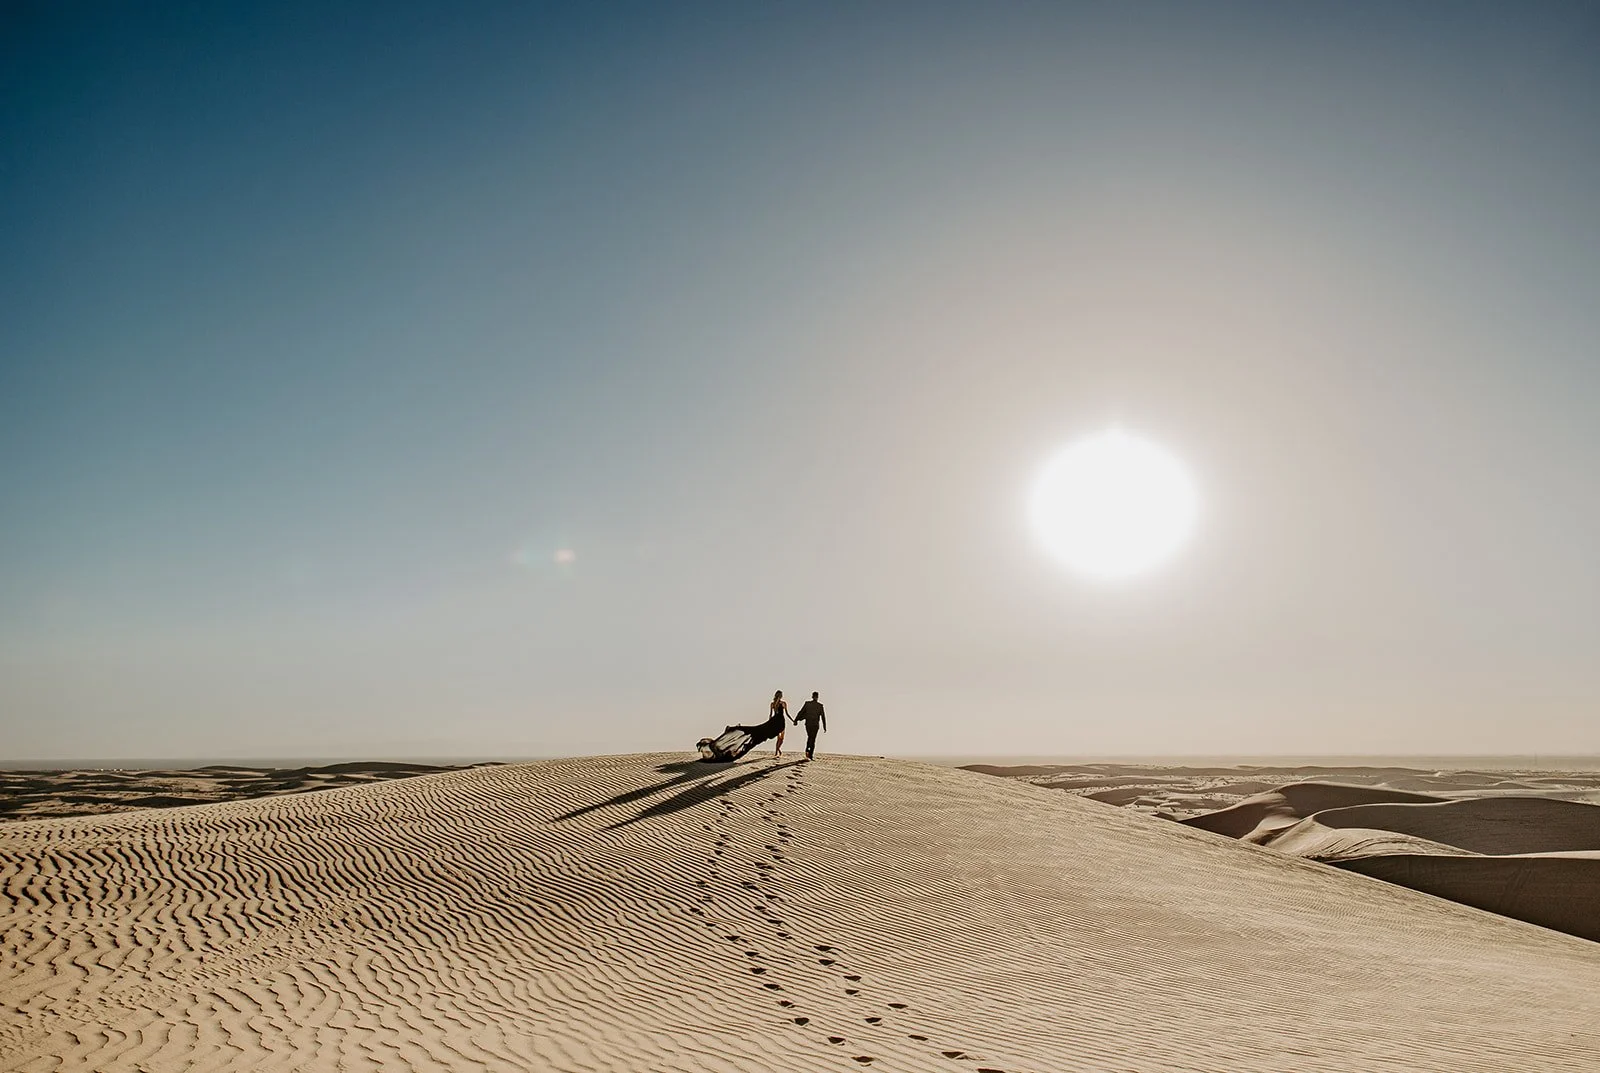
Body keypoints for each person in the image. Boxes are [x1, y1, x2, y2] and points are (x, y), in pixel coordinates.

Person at [792, 691, 826, 760]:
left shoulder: (809, 704)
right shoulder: (819, 706)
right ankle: (810, 754)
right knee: (812, 739)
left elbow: (801, 712)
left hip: (810, 724)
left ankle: (808, 751)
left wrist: (796, 720)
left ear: (812, 696)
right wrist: (824, 726)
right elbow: (823, 717)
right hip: (813, 725)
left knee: (810, 737)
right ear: (816, 697)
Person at [766, 690, 789, 758]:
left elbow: (787, 713)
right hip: (776, 721)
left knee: (782, 738)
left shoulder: (783, 703)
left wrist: (792, 720)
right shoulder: (773, 704)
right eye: (780, 694)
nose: (781, 696)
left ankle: (778, 749)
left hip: (782, 720)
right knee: (778, 737)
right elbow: (771, 714)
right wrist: (769, 722)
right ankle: (776, 751)